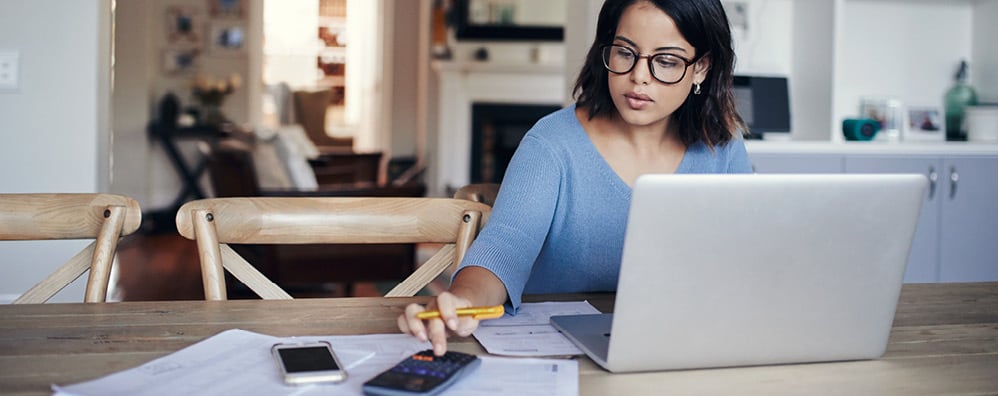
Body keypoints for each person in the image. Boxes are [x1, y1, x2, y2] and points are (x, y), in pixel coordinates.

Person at [399, 0, 752, 355]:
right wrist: (462, 301)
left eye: (666, 61)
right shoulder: (551, 143)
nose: (639, 76)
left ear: (701, 67)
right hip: (558, 355)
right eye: (625, 53)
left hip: (678, 348)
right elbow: (505, 247)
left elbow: (743, 261)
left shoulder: (722, 146)